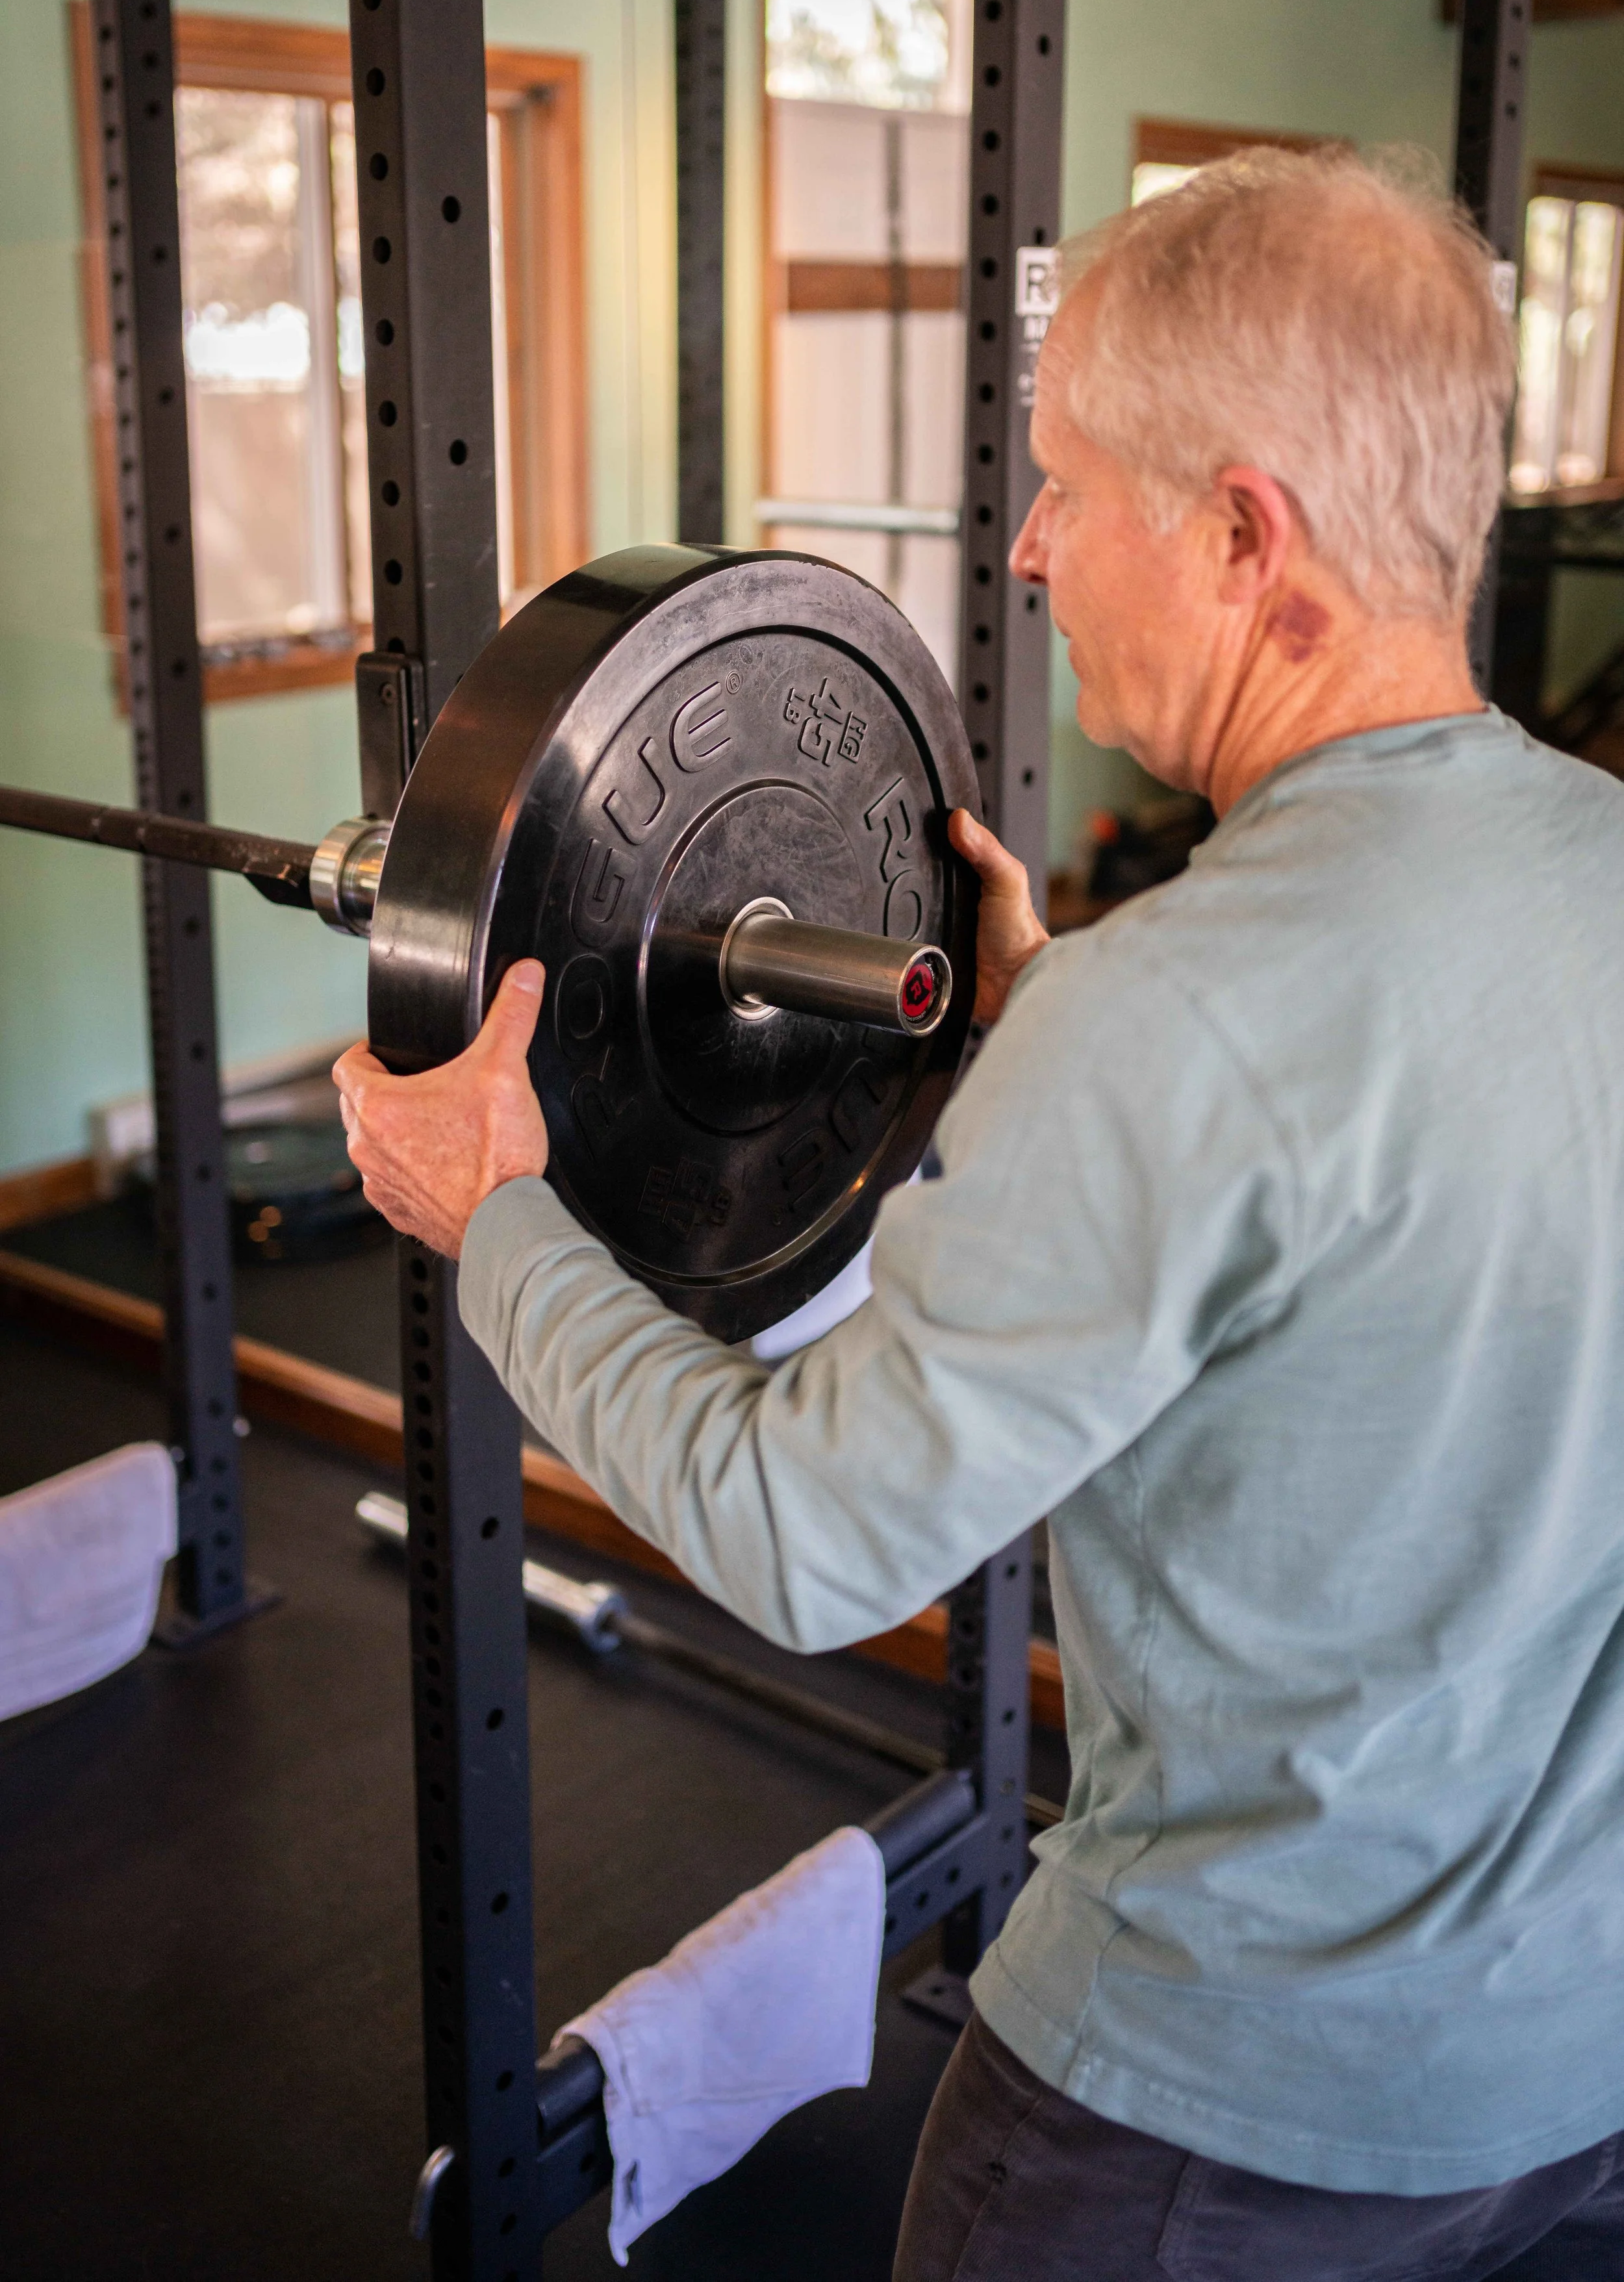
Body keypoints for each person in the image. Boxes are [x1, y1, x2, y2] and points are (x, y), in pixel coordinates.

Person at [335, 149, 1624, 2281]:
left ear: (1240, 537)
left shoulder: (1177, 1024)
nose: (1025, 549)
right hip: (1562, 2075)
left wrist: (495, 1215)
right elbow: (1379, 1187)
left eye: (1068, 488)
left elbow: (801, 1532)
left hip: (1202, 2116)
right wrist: (1058, 1022)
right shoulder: (1585, 857)